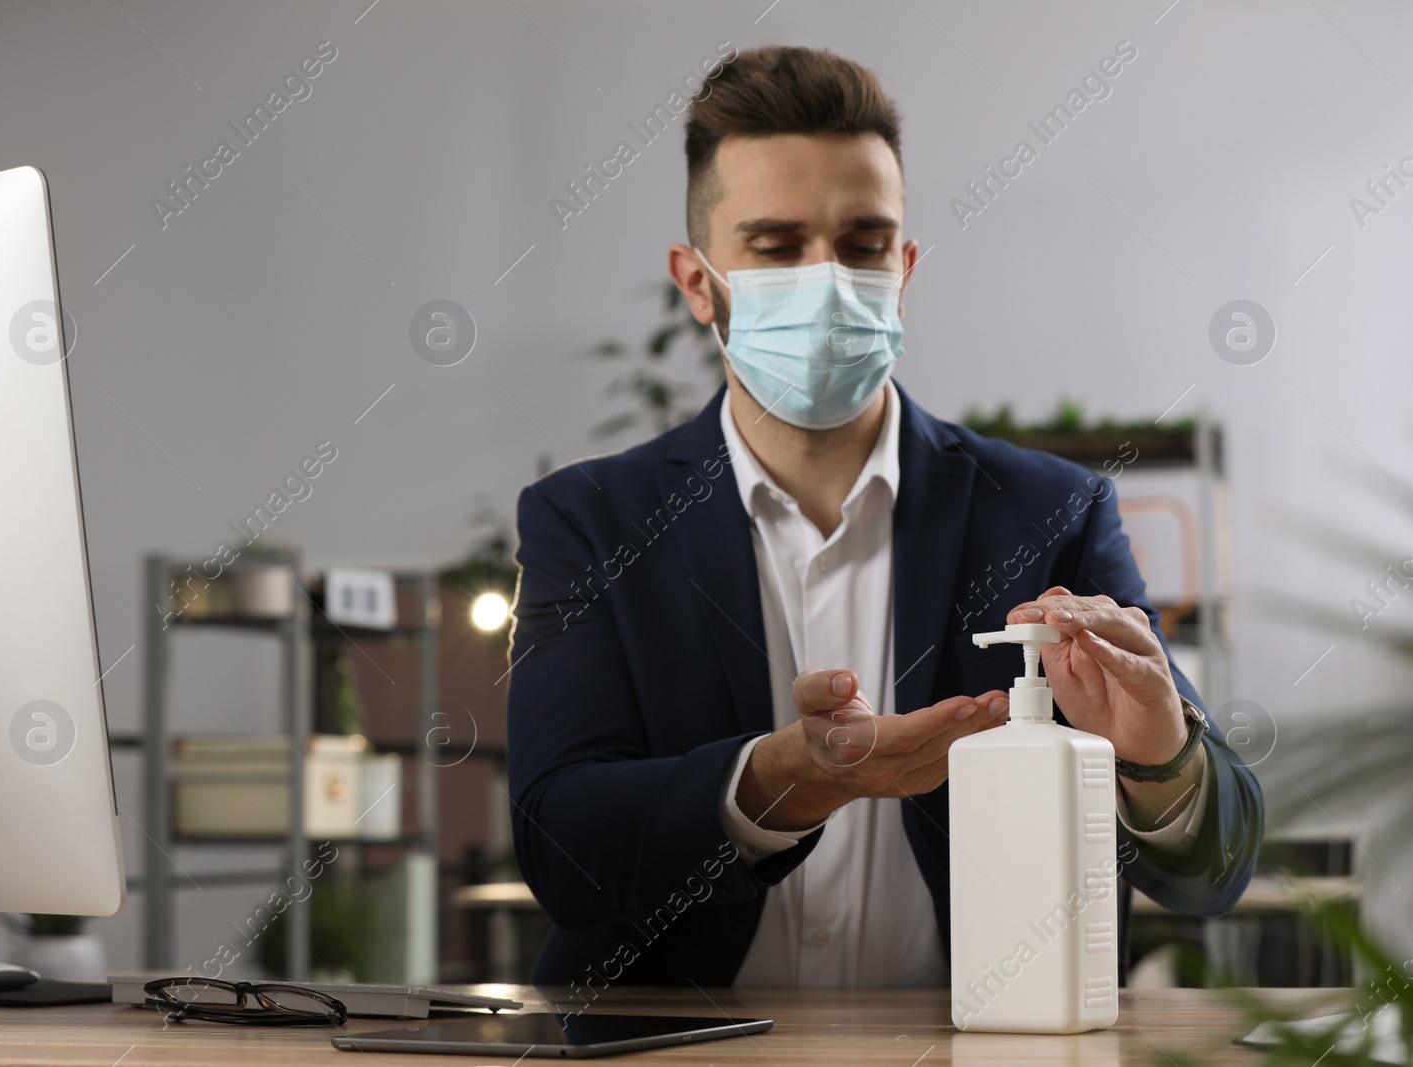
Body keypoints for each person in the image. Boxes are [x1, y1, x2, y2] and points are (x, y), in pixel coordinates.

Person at [506, 45, 1260, 991]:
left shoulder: (1047, 512)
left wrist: (1161, 760)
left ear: (902, 268)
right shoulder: (593, 520)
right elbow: (561, 847)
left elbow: (1214, 872)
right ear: (697, 282)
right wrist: (784, 778)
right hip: (671, 1051)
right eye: (777, 246)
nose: (827, 281)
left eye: (862, 244)